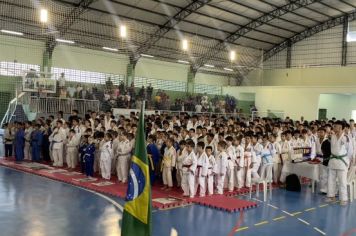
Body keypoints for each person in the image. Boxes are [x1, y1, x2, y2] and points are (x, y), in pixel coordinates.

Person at [326, 121, 353, 205]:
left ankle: (343, 199)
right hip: (333, 160)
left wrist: (347, 161)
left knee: (342, 181)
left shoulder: (346, 138)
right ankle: (331, 196)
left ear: (340, 128)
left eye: (335, 126)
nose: (334, 128)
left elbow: (350, 151)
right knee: (331, 180)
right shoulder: (332, 136)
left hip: (342, 161)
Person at [315, 127, 331, 195]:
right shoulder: (316, 140)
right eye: (319, 132)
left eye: (322, 132)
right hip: (318, 158)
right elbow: (315, 149)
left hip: (325, 158)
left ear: (325, 133)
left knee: (324, 175)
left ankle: (325, 189)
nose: (320, 133)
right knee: (318, 173)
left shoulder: (327, 141)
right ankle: (318, 185)